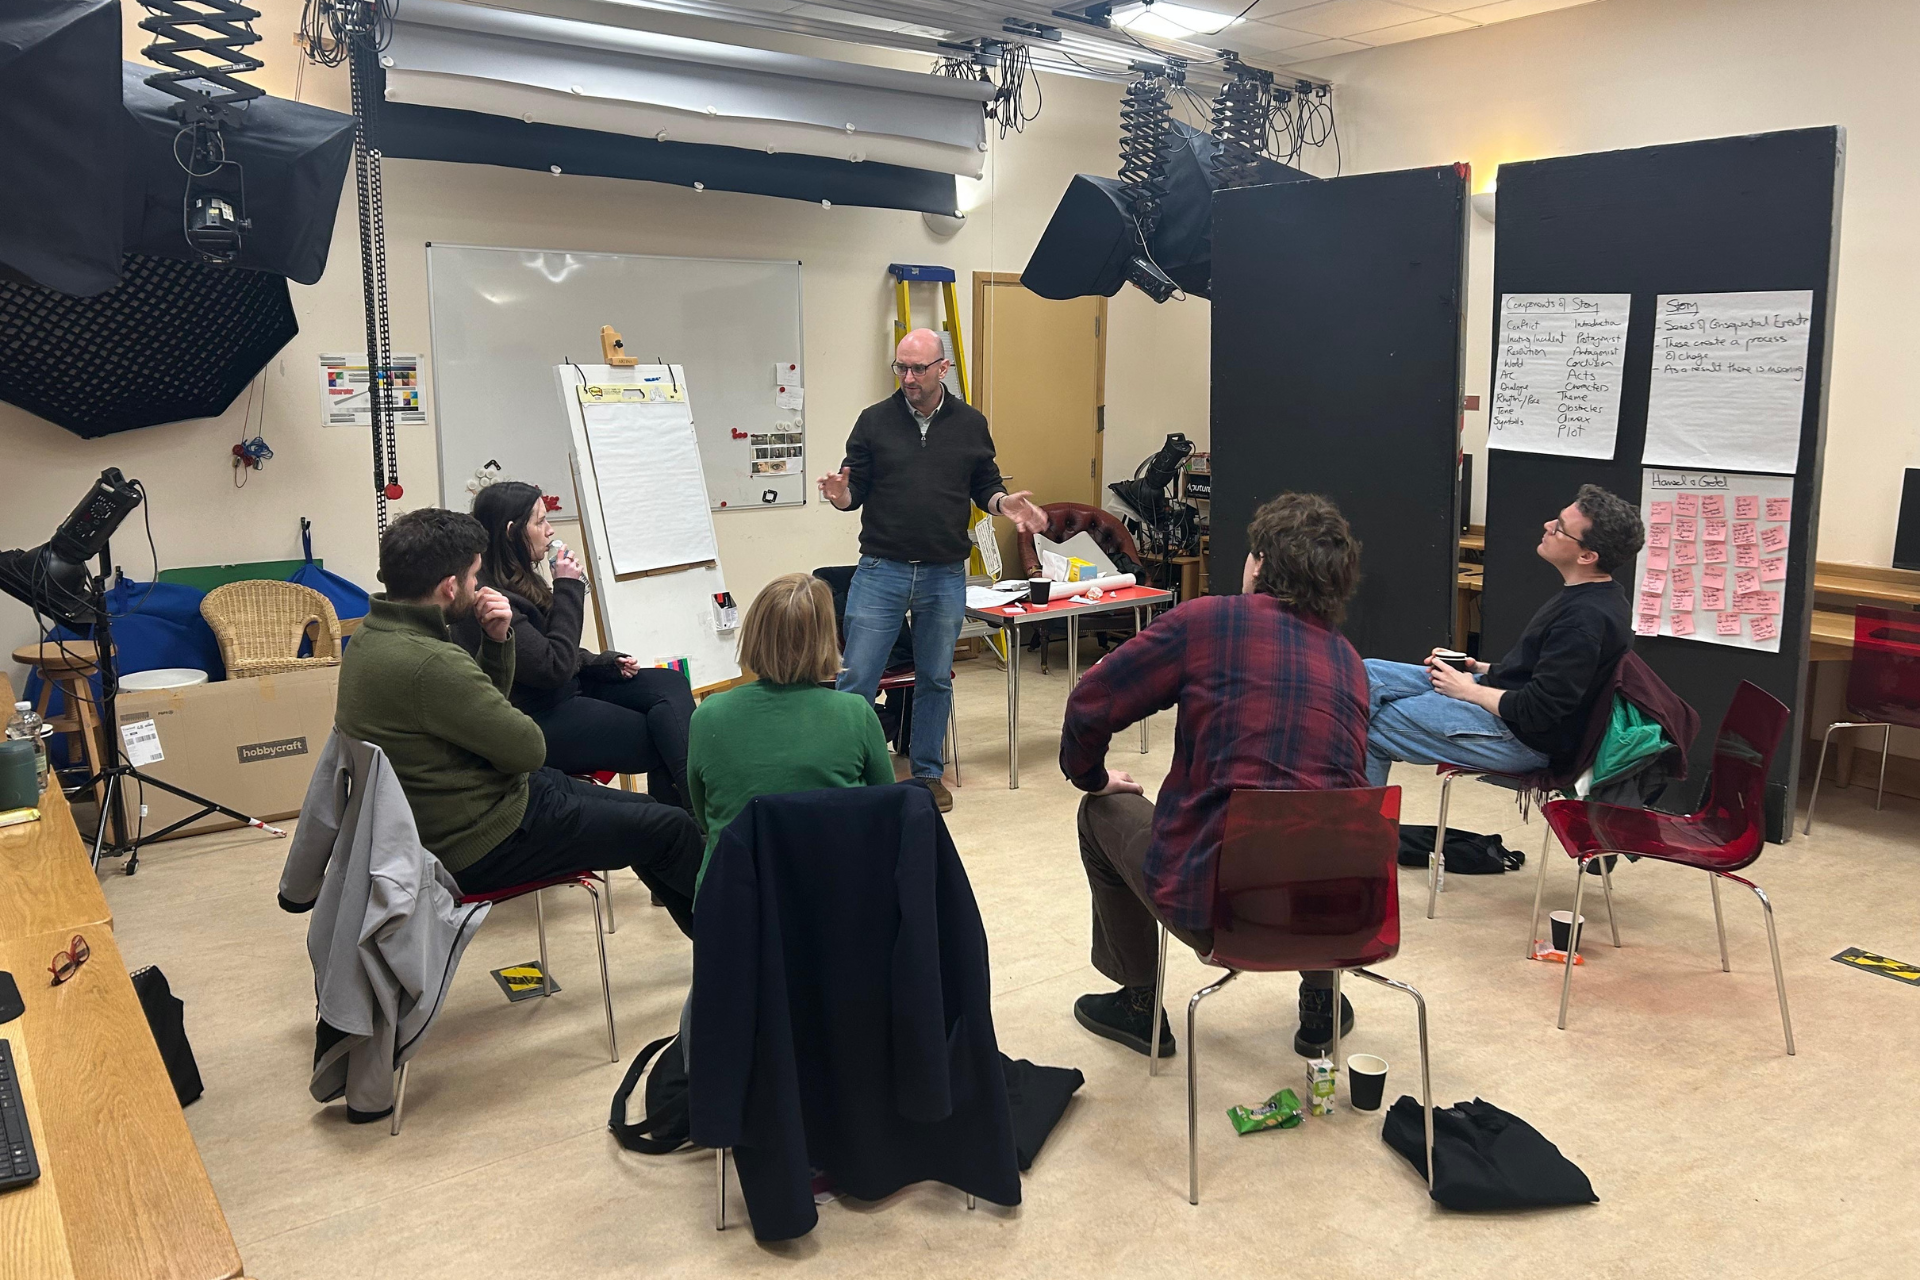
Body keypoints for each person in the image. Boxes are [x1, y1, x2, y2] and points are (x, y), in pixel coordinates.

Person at [1060, 493, 1371, 1060]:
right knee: (1312, 817)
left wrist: (1093, 776)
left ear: (1258, 563)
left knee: (1100, 811)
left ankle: (1137, 1005)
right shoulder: (1348, 660)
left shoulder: (1207, 621)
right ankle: (1322, 1002)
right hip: (1332, 921)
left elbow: (1090, 702)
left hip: (1215, 909)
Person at [337, 508, 702, 933]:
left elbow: (476, 713)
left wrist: (495, 644)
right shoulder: (431, 661)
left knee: (652, 820)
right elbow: (527, 748)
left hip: (471, 809)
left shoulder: (370, 637)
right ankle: (745, 949)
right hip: (484, 840)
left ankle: (721, 949)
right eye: (474, 577)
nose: (478, 586)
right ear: (449, 586)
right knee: (670, 829)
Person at [817, 328, 1047, 813]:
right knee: (858, 676)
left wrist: (1004, 504)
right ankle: (845, 775)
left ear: (944, 368)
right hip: (882, 568)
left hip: (944, 571)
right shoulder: (873, 421)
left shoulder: (970, 423)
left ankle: (926, 773)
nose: (908, 377)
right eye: (901, 367)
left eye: (918, 368)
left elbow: (983, 483)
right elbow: (852, 489)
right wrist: (841, 497)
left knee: (936, 677)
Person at [1363, 484, 1643, 788]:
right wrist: (1477, 669)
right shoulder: (1592, 597)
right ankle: (1324, 805)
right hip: (1503, 702)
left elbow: (1539, 710)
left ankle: (1354, 832)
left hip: (1521, 739)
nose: (1547, 526)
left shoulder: (1584, 619)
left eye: (1560, 528)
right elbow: (1546, 675)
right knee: (1366, 674)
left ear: (1587, 556)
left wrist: (1468, 691)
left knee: (1367, 729)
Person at [451, 480, 695, 809]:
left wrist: (601, 663)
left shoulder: (519, 576)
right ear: (512, 532)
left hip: (564, 689)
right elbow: (551, 668)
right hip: (538, 716)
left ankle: (694, 820)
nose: (550, 530)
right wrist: (568, 587)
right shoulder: (489, 598)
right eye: (539, 522)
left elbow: (544, 648)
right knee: (663, 737)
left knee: (671, 683)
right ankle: (691, 828)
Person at [684, 573, 896, 893]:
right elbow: (885, 814)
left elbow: (706, 814)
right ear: (827, 639)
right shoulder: (855, 714)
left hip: (733, 902)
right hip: (834, 899)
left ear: (754, 633)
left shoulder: (707, 717)